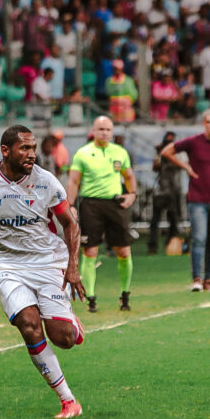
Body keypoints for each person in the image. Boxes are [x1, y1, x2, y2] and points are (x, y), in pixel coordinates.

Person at [0, 125, 86, 419]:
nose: (31, 154)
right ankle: (68, 401)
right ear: (6, 151)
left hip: (48, 262)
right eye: (24, 149)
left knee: (63, 339)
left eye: (33, 148)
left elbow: (70, 223)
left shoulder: (46, 182)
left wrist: (73, 267)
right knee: (29, 326)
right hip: (9, 266)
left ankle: (69, 321)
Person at [160, 109, 210, 292]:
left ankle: (209, 280)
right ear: (203, 124)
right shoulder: (194, 142)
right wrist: (186, 166)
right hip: (197, 199)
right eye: (208, 122)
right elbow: (167, 151)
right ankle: (197, 278)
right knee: (199, 238)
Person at [65, 116, 138, 313]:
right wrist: (70, 204)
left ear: (112, 132)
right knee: (90, 251)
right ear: (93, 131)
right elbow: (73, 181)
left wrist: (131, 195)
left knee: (124, 251)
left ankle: (125, 294)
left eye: (108, 129)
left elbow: (129, 175)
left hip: (116, 204)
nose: (104, 132)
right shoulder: (83, 153)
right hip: (91, 205)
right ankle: (90, 297)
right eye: (101, 129)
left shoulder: (120, 152)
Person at [148, 131, 181, 255]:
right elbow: (155, 167)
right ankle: (152, 245)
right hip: (160, 191)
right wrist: (159, 154)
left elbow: (180, 165)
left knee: (173, 219)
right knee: (155, 219)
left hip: (174, 190)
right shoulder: (160, 154)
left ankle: (171, 244)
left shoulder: (179, 153)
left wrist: (169, 154)